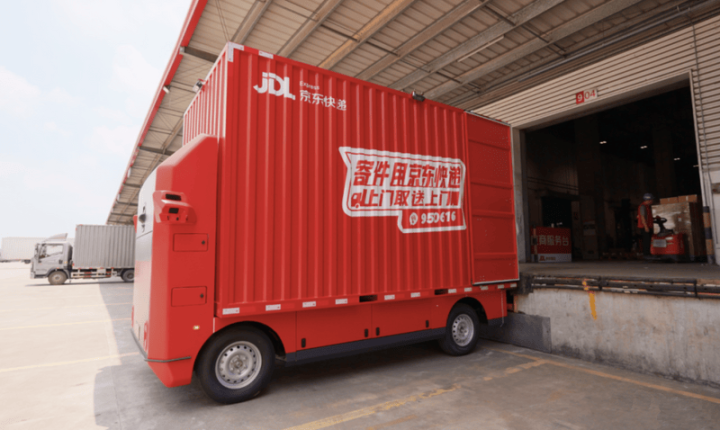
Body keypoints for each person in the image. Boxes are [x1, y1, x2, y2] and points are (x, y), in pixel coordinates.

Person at [637, 193, 655, 258]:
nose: (652, 201)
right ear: (648, 200)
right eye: (652, 200)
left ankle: (648, 253)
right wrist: (646, 227)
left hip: (648, 226)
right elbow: (642, 217)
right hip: (644, 227)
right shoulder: (643, 206)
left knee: (649, 240)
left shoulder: (647, 207)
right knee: (646, 241)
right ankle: (646, 255)